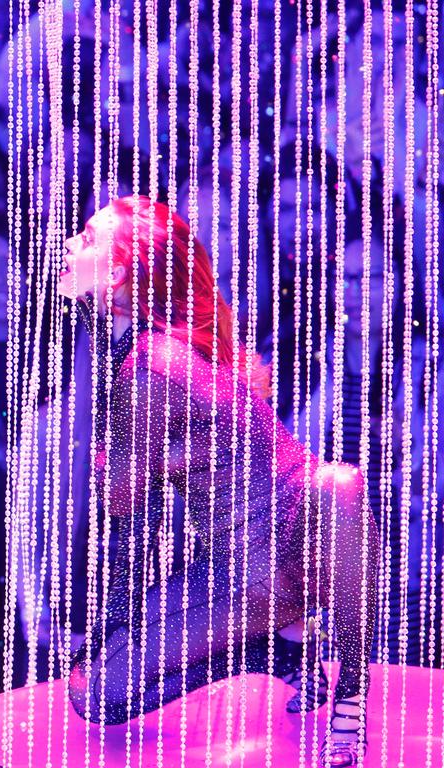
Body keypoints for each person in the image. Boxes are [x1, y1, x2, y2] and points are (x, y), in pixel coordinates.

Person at [58, 196, 378, 767]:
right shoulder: (169, 344)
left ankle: (342, 697)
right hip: (243, 570)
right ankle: (280, 647)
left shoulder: (153, 366)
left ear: (117, 271)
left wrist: (117, 455)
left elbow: (123, 510)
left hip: (284, 554)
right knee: (94, 692)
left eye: (85, 236)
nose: (70, 244)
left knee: (95, 695)